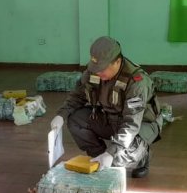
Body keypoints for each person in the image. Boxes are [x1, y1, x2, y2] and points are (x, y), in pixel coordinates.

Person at [51, 36, 162, 178]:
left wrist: (112, 153)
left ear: (117, 61)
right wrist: (61, 114)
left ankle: (142, 157)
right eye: (96, 68)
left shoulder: (136, 82)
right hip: (110, 118)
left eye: (102, 69)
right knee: (76, 120)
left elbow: (131, 124)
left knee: (118, 162)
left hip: (140, 125)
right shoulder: (94, 71)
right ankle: (100, 157)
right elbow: (78, 96)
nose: (98, 73)